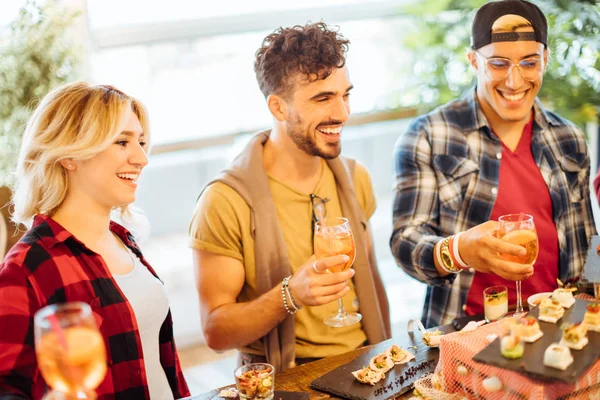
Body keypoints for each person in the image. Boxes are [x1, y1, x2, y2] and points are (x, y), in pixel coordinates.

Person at [189, 22, 391, 372]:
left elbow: (371, 281)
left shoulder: (356, 177)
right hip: (287, 379)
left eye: (345, 95)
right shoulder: (224, 201)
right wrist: (291, 294)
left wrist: (388, 358)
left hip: (366, 366)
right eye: (323, 98)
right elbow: (216, 332)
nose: (342, 113)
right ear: (278, 108)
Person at [391, 0, 596, 328]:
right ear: (474, 61)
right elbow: (405, 242)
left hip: (556, 324)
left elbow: (586, 246)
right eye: (499, 64)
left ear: (544, 60)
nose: (515, 82)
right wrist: (459, 251)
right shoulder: (429, 136)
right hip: (464, 332)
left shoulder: (568, 139)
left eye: (529, 63)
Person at [0, 82, 189, 399]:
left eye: (141, 142)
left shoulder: (123, 240)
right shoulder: (26, 267)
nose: (142, 158)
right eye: (122, 142)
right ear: (70, 156)